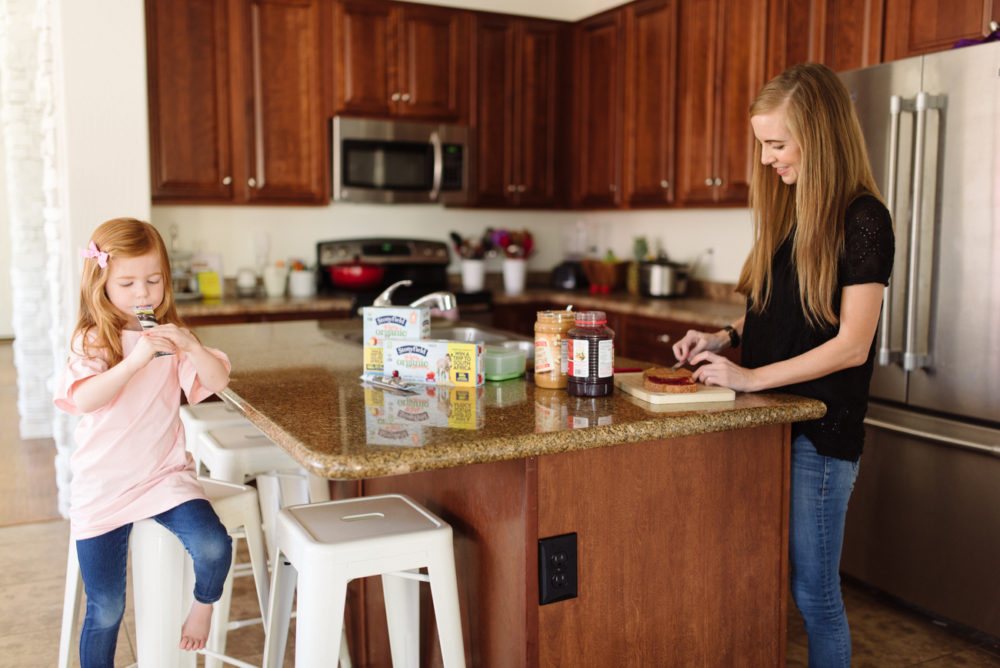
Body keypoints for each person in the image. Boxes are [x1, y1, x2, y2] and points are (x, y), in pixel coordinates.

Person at [672, 63, 894, 668]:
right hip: (768, 425)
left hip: (819, 435)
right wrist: (723, 337)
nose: (767, 158)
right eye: (762, 144)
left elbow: (851, 343)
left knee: (815, 597)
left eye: (777, 143)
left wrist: (749, 378)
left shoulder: (864, 219)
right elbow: (781, 311)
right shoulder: (792, 211)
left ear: (818, 136)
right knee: (758, 583)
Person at [54, 217, 233, 667]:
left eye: (153, 281)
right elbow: (85, 399)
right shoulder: (92, 340)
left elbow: (216, 382)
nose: (143, 295)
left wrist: (192, 348)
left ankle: (203, 607)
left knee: (214, 545)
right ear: (102, 284)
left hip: (162, 476)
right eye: (128, 283)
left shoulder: (173, 338)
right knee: (107, 607)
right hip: (104, 487)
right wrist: (134, 361)